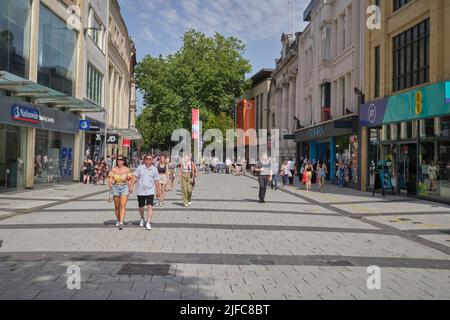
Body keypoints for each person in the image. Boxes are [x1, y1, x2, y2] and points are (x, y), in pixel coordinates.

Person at [130, 155, 160, 231]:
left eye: (150, 159)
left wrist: (158, 191)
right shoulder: (140, 168)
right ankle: (142, 217)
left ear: (152, 160)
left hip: (150, 191)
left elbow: (156, 181)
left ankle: (148, 222)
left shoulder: (154, 169)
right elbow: (134, 177)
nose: (148, 160)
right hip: (141, 191)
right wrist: (131, 186)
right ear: (144, 160)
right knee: (141, 207)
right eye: (146, 159)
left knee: (150, 206)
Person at [108, 155, 133, 230]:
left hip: (124, 187)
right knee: (116, 206)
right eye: (118, 159)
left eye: (121, 159)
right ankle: (118, 220)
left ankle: (121, 222)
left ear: (123, 161)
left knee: (122, 205)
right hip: (115, 187)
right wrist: (110, 186)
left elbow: (129, 179)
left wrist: (130, 187)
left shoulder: (127, 169)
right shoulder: (114, 169)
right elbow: (110, 179)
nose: (119, 161)